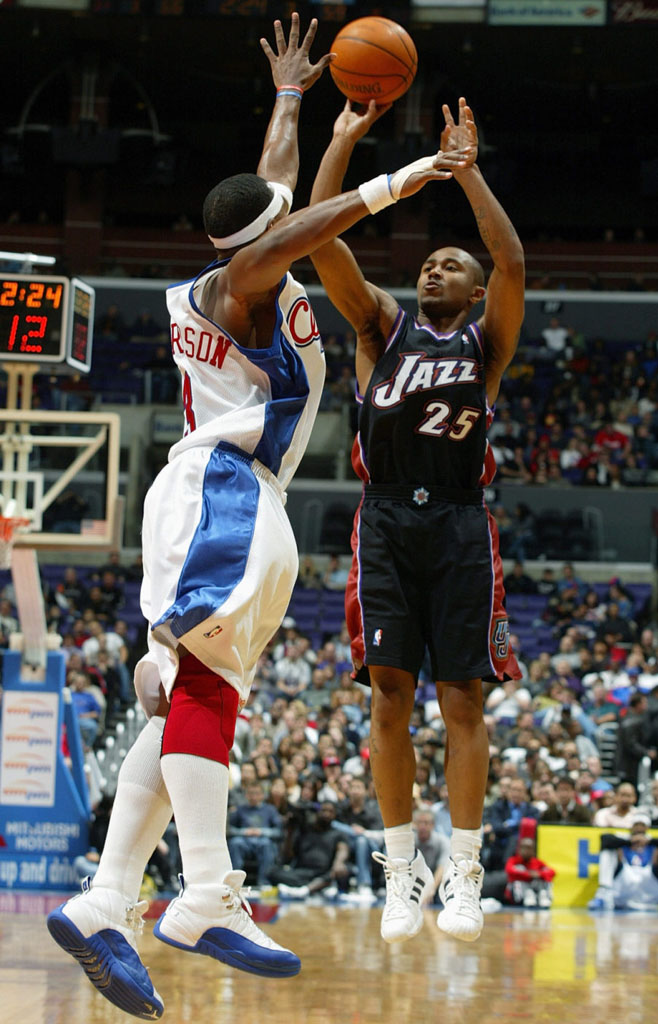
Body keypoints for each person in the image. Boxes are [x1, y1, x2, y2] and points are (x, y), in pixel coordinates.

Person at [47, 15, 472, 1016]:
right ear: (260, 242)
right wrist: (406, 173)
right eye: (279, 224)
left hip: (235, 494)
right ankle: (201, 892)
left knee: (193, 687)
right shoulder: (242, 282)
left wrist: (297, 103)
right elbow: (304, 222)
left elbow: (275, 193)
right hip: (224, 487)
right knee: (207, 692)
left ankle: (108, 896)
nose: (291, 222)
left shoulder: (246, 259)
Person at [309, 96, 524, 945]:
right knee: (389, 698)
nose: (434, 270)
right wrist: (345, 140)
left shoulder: (486, 346)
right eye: (428, 263)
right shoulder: (378, 329)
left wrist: (466, 176)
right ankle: (402, 869)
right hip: (387, 521)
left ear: (472, 292)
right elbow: (321, 236)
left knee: (461, 698)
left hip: (464, 525)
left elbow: (510, 259)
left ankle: (463, 869)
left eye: (449, 265)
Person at [505, 835, 555, 908]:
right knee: (520, 868)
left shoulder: (537, 862)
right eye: (523, 847)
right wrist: (528, 874)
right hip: (520, 893)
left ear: (533, 850)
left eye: (528, 848)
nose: (525, 850)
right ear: (519, 849)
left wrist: (539, 874)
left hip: (535, 889)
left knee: (545, 876)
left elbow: (552, 872)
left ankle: (543, 896)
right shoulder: (514, 860)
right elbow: (509, 871)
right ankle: (527, 896)